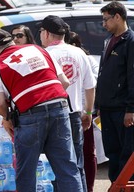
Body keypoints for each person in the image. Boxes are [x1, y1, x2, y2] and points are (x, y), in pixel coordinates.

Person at [0, 29, 83, 191]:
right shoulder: (38, 49)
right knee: (67, 167)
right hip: (59, 107)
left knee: (26, 172)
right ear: (12, 42)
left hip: (30, 114)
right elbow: (64, 82)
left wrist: (8, 117)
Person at [40, 15, 96, 192]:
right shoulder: (79, 52)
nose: (40, 35)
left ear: (47, 33)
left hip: (53, 115)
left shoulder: (45, 55)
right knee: (76, 164)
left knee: (56, 165)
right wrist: (88, 112)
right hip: (76, 114)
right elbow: (90, 86)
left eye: (41, 31)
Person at [95, 1, 134, 183]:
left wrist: (131, 109)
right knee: (112, 153)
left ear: (117, 16)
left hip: (123, 110)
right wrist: (99, 104)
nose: (104, 24)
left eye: (106, 20)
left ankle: (125, 186)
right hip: (107, 108)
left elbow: (132, 77)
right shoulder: (109, 40)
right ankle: (115, 185)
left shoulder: (130, 42)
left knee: (126, 155)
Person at [66, 31, 98, 192]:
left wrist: (89, 111)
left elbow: (92, 84)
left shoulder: (87, 59)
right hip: (65, 112)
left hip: (84, 112)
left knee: (86, 152)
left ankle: (88, 187)